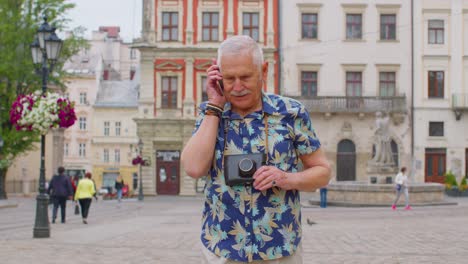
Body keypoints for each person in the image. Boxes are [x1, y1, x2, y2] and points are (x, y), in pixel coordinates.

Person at [181, 35, 331, 263]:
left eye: (245, 77)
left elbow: (322, 172)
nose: (238, 87)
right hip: (223, 248)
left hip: (279, 248)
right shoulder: (210, 113)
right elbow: (193, 168)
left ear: (263, 70)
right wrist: (215, 105)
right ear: (217, 75)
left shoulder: (291, 112)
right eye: (229, 78)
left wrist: (286, 179)